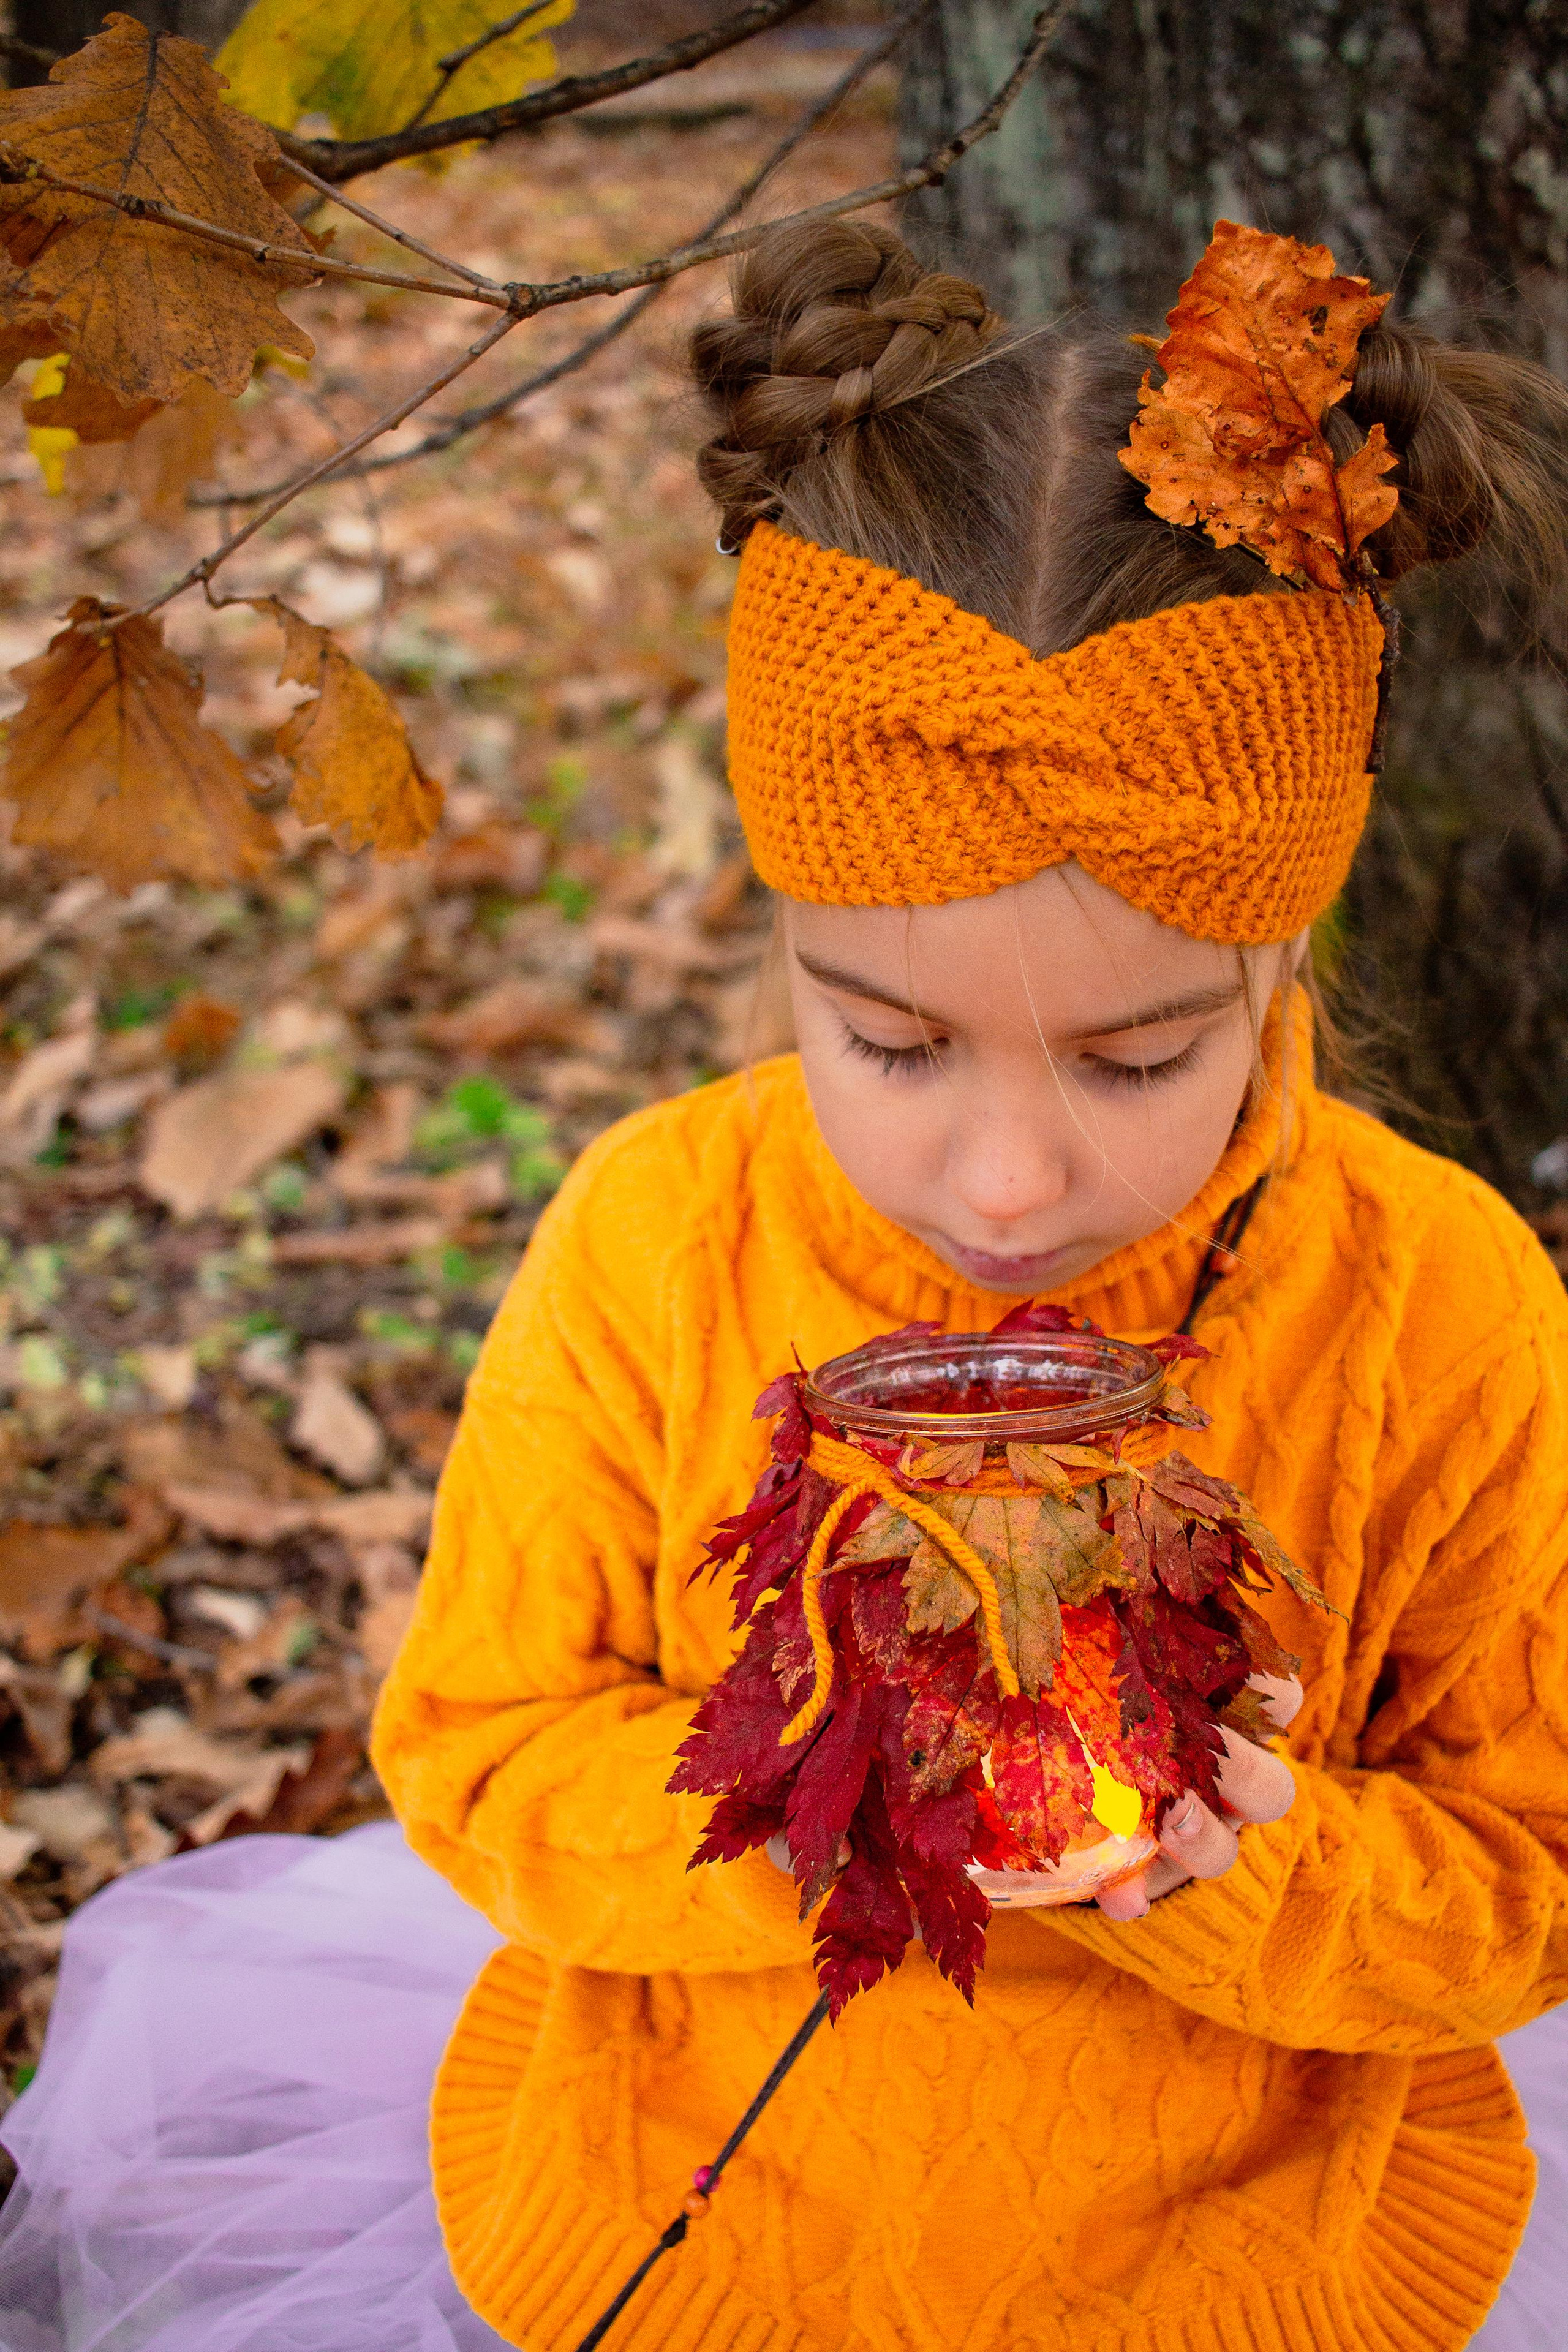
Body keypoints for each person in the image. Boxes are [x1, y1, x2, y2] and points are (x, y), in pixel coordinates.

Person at [2, 217, 1566, 2352]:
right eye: (894, 1043)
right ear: (788, 953)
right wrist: (805, 1812)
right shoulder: (660, 1246)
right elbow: (479, 1740)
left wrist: (1251, 1861)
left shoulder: (1441, 1306)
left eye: (1139, 1058)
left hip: (1254, 2229)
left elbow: (1530, 1866)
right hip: (710, 2192)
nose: (1008, 1177)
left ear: (1286, 954)